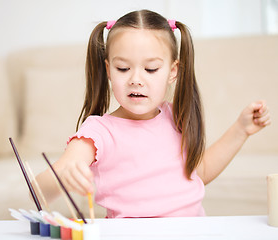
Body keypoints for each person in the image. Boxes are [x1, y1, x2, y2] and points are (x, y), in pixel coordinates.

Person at [36, 9, 271, 218]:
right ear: (108, 70)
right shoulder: (99, 131)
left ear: (172, 71)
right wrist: (63, 177)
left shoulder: (174, 116)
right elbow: (38, 189)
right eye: (123, 68)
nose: (136, 80)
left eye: (150, 69)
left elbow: (199, 173)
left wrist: (241, 130)